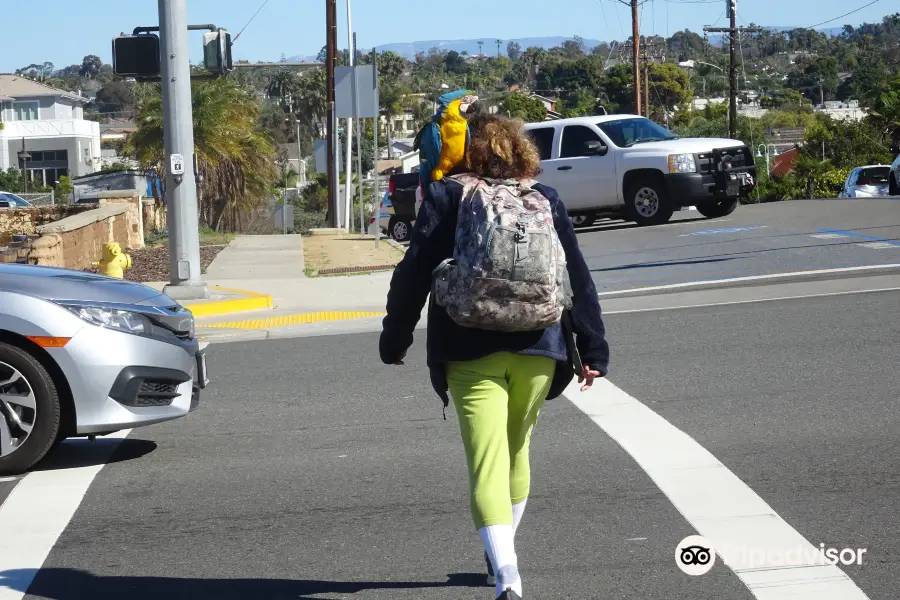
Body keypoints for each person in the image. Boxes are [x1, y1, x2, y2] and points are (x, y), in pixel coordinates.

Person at [379, 113, 610, 600]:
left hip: (467, 345)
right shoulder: (543, 199)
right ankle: (501, 558)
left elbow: (414, 271)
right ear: (521, 150)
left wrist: (395, 338)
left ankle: (508, 576)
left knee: (486, 462)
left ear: (468, 151)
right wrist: (592, 348)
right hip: (539, 346)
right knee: (516, 451)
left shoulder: (448, 195)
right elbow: (577, 278)